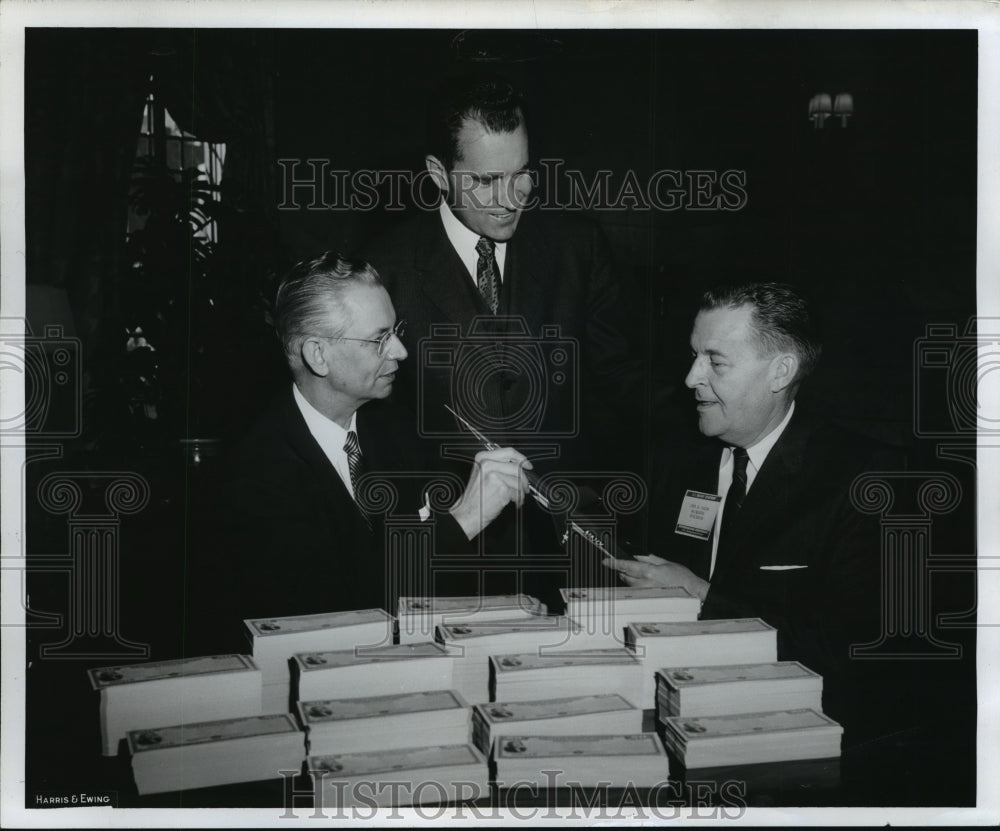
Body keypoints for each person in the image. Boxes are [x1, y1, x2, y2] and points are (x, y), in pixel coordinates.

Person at [360, 73, 646, 597]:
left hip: (574, 556)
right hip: (450, 565)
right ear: (438, 174)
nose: (511, 198)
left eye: (522, 174)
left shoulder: (578, 247)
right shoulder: (385, 267)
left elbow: (621, 386)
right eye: (487, 181)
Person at [189, 252, 532, 647]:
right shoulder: (255, 475)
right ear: (318, 355)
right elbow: (335, 617)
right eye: (378, 339)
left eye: (395, 331)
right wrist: (464, 519)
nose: (401, 351)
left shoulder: (399, 429)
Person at [607, 282, 900, 741]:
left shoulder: (863, 478)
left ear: (780, 372)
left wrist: (700, 596)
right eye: (693, 355)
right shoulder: (677, 456)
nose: (690, 377)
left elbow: (856, 650)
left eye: (715, 361)